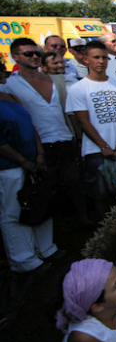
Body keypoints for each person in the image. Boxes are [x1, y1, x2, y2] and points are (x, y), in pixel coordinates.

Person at [1, 38, 90, 228]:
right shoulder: (9, 85)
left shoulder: (55, 78)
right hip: (37, 145)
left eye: (36, 53)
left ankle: (83, 220)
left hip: (65, 139)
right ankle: (53, 228)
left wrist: (77, 135)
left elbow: (68, 111)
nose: (34, 57)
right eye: (28, 54)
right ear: (15, 57)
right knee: (45, 189)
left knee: (75, 183)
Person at [65, 41, 116, 218]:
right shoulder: (78, 88)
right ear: (85, 59)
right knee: (99, 191)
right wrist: (103, 146)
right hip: (96, 150)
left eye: (104, 57)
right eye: (96, 57)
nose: (101, 61)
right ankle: (106, 226)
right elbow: (83, 121)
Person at [0, 89, 60, 274]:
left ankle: (45, 248)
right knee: (13, 212)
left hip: (34, 162)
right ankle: (24, 260)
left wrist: (40, 153)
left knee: (40, 203)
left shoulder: (11, 96)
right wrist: (22, 161)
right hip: (10, 167)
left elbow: (31, 126)